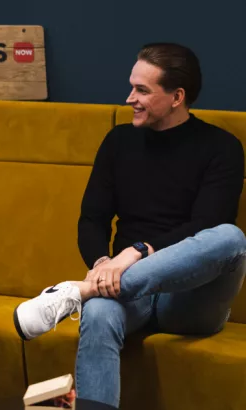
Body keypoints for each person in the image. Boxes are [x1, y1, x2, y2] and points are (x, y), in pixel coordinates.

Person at [13, 43, 246, 407]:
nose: (129, 98)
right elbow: (92, 218)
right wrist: (102, 265)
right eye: (131, 86)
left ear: (177, 96)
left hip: (189, 300)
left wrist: (135, 254)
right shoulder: (118, 141)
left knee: (231, 238)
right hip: (124, 290)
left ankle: (80, 292)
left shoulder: (222, 147)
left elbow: (207, 224)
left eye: (142, 90)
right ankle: (90, 293)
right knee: (101, 311)